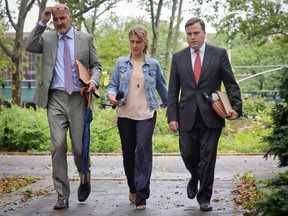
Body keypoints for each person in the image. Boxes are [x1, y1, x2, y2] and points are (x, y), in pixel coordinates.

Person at [25, 4, 101, 210]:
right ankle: (62, 195)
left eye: (62, 19)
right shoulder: (48, 38)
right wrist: (42, 21)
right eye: (55, 19)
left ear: (70, 17)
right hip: (55, 98)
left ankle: (84, 178)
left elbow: (96, 66)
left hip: (79, 98)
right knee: (57, 145)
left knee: (78, 148)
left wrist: (94, 81)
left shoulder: (85, 38)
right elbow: (30, 45)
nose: (58, 23)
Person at [167, 17, 242, 211]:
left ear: (204, 33)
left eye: (196, 33)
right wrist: (172, 116)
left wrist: (236, 107)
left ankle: (205, 197)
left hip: (212, 115)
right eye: (189, 34)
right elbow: (173, 90)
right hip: (186, 116)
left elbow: (231, 84)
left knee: (208, 158)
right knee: (188, 154)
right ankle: (195, 176)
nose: (192, 37)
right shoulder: (178, 57)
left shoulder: (219, 54)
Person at [107, 25, 168, 210]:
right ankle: (133, 187)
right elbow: (112, 86)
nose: (134, 45)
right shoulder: (121, 63)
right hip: (125, 114)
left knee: (143, 151)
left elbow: (162, 89)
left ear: (145, 42)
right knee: (128, 156)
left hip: (146, 115)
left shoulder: (153, 65)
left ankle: (142, 196)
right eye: (132, 41)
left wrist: (173, 109)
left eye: (138, 42)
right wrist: (112, 97)